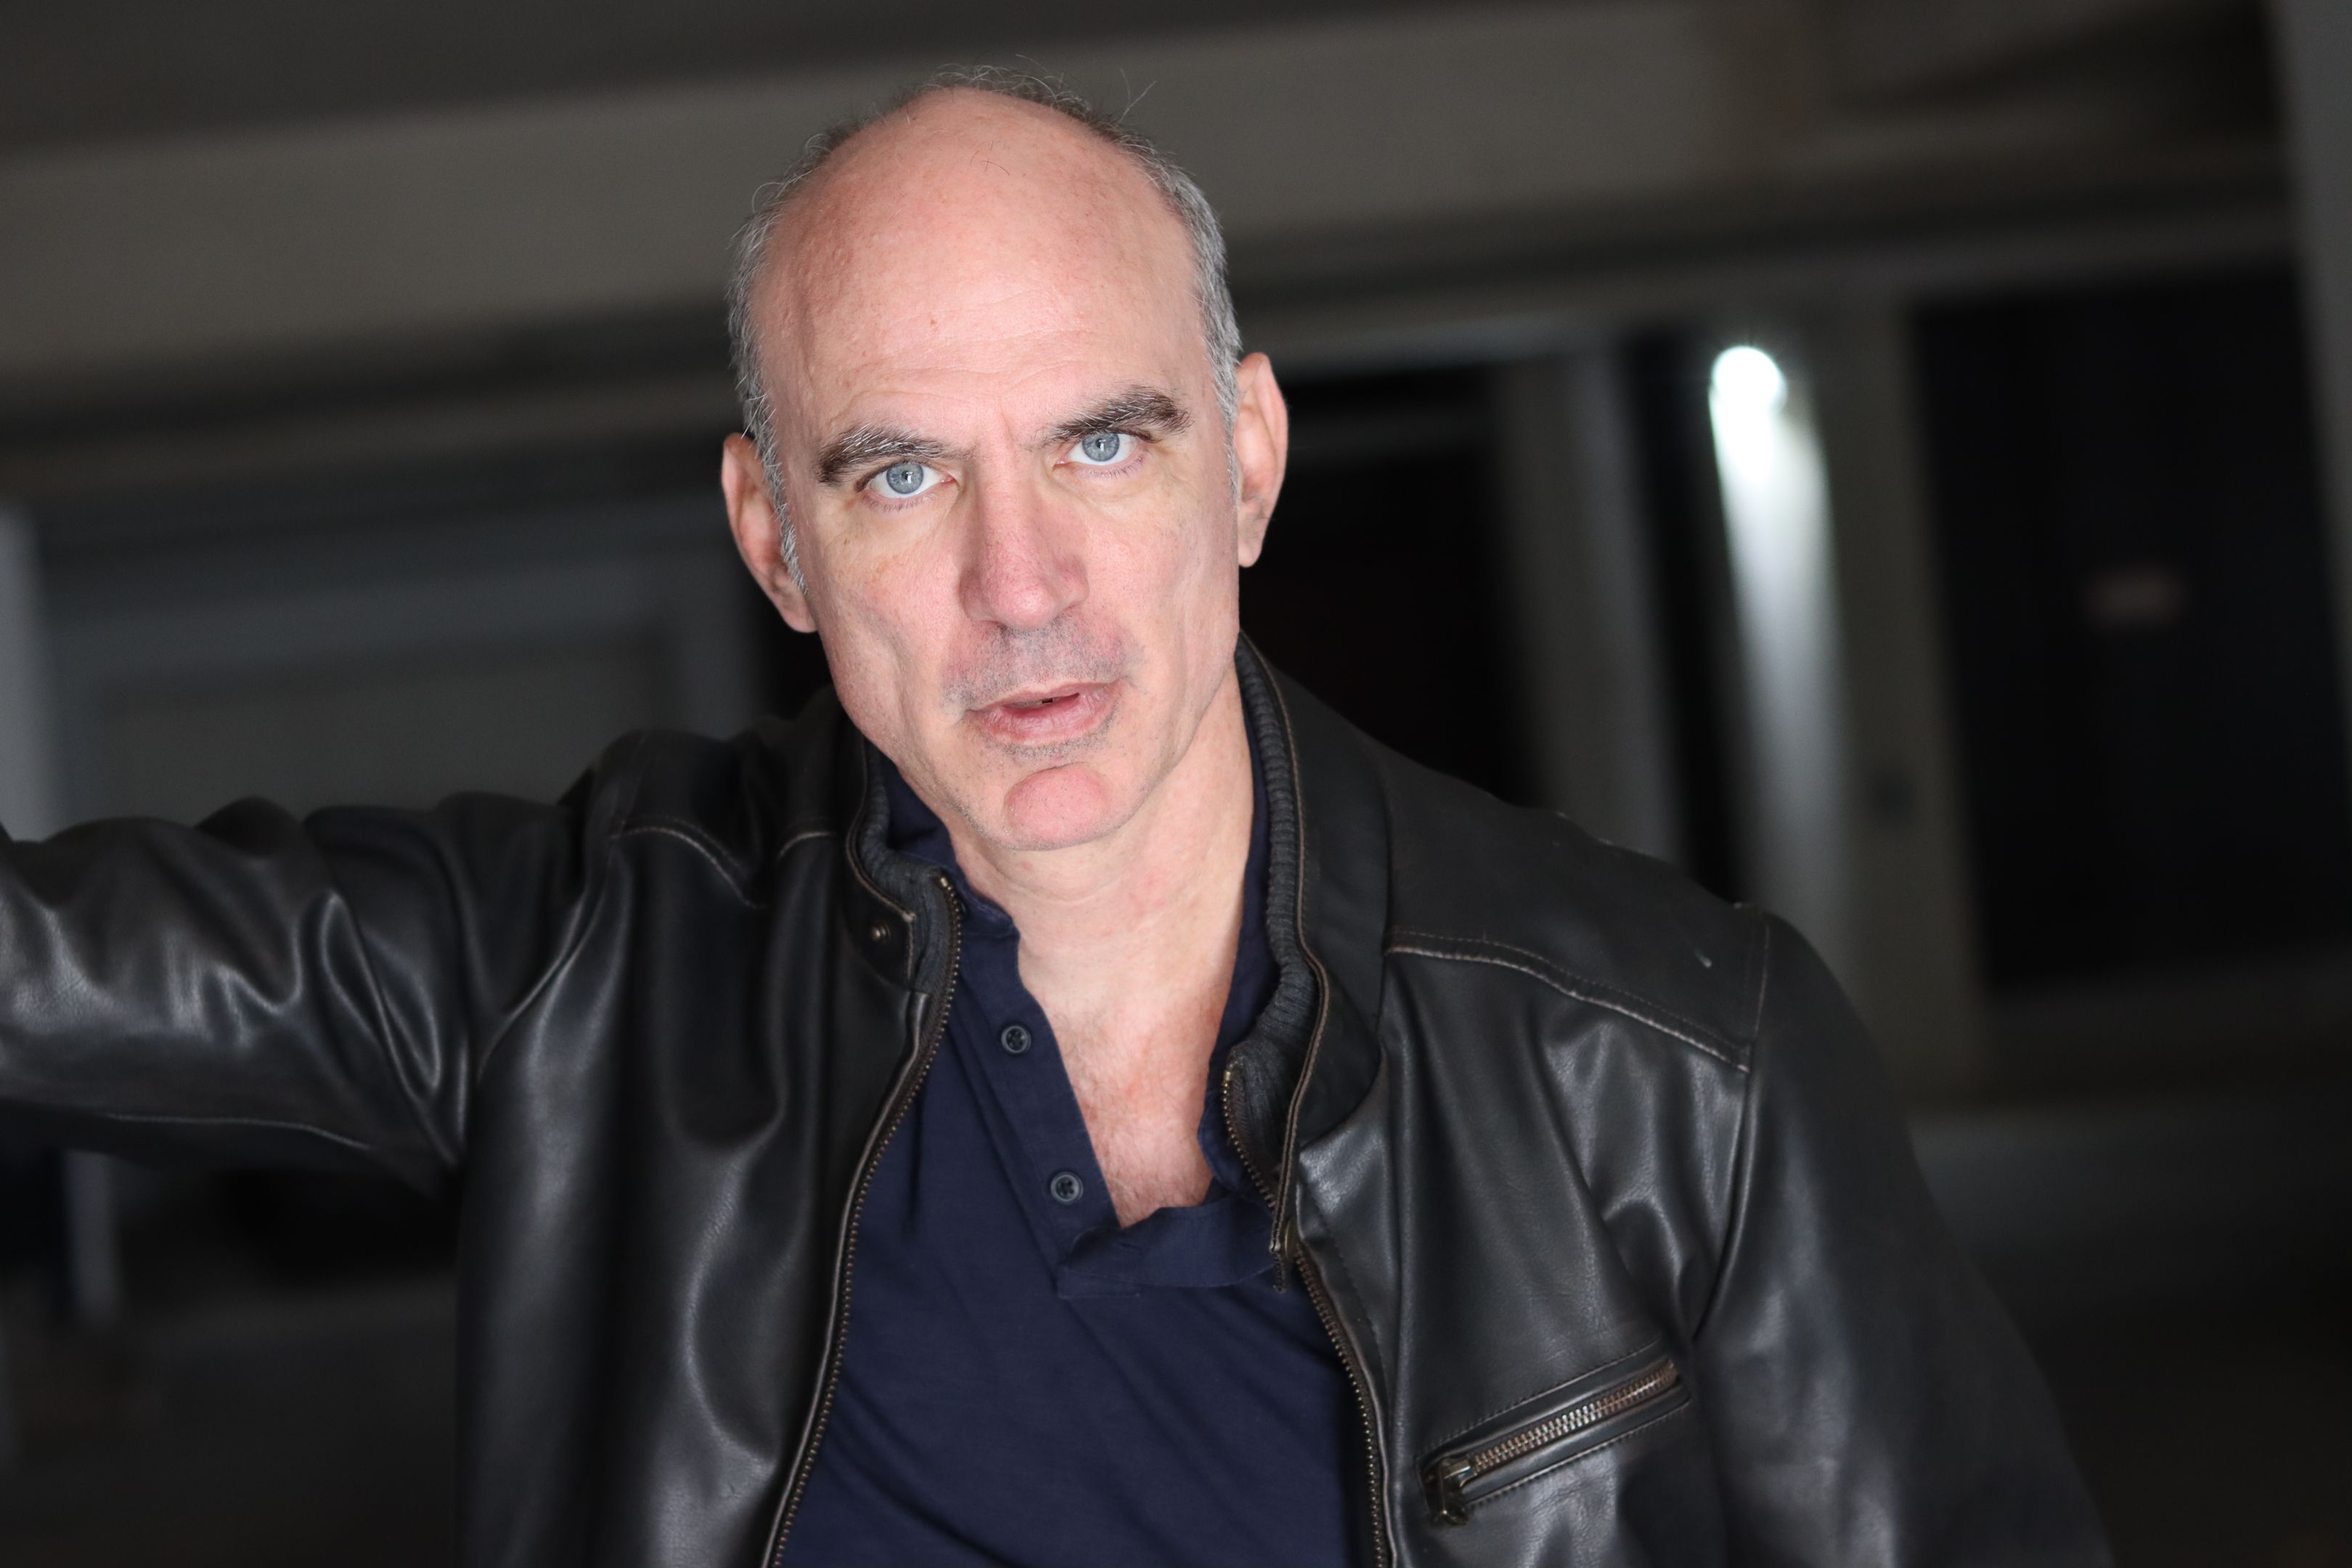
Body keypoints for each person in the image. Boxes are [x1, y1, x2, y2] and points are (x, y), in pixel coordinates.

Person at [0, 67, 2106, 1568]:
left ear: (1249, 460)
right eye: (903, 474)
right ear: (774, 539)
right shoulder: (603, 968)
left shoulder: (1673, 1061)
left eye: (1104, 443)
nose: (1021, 587)